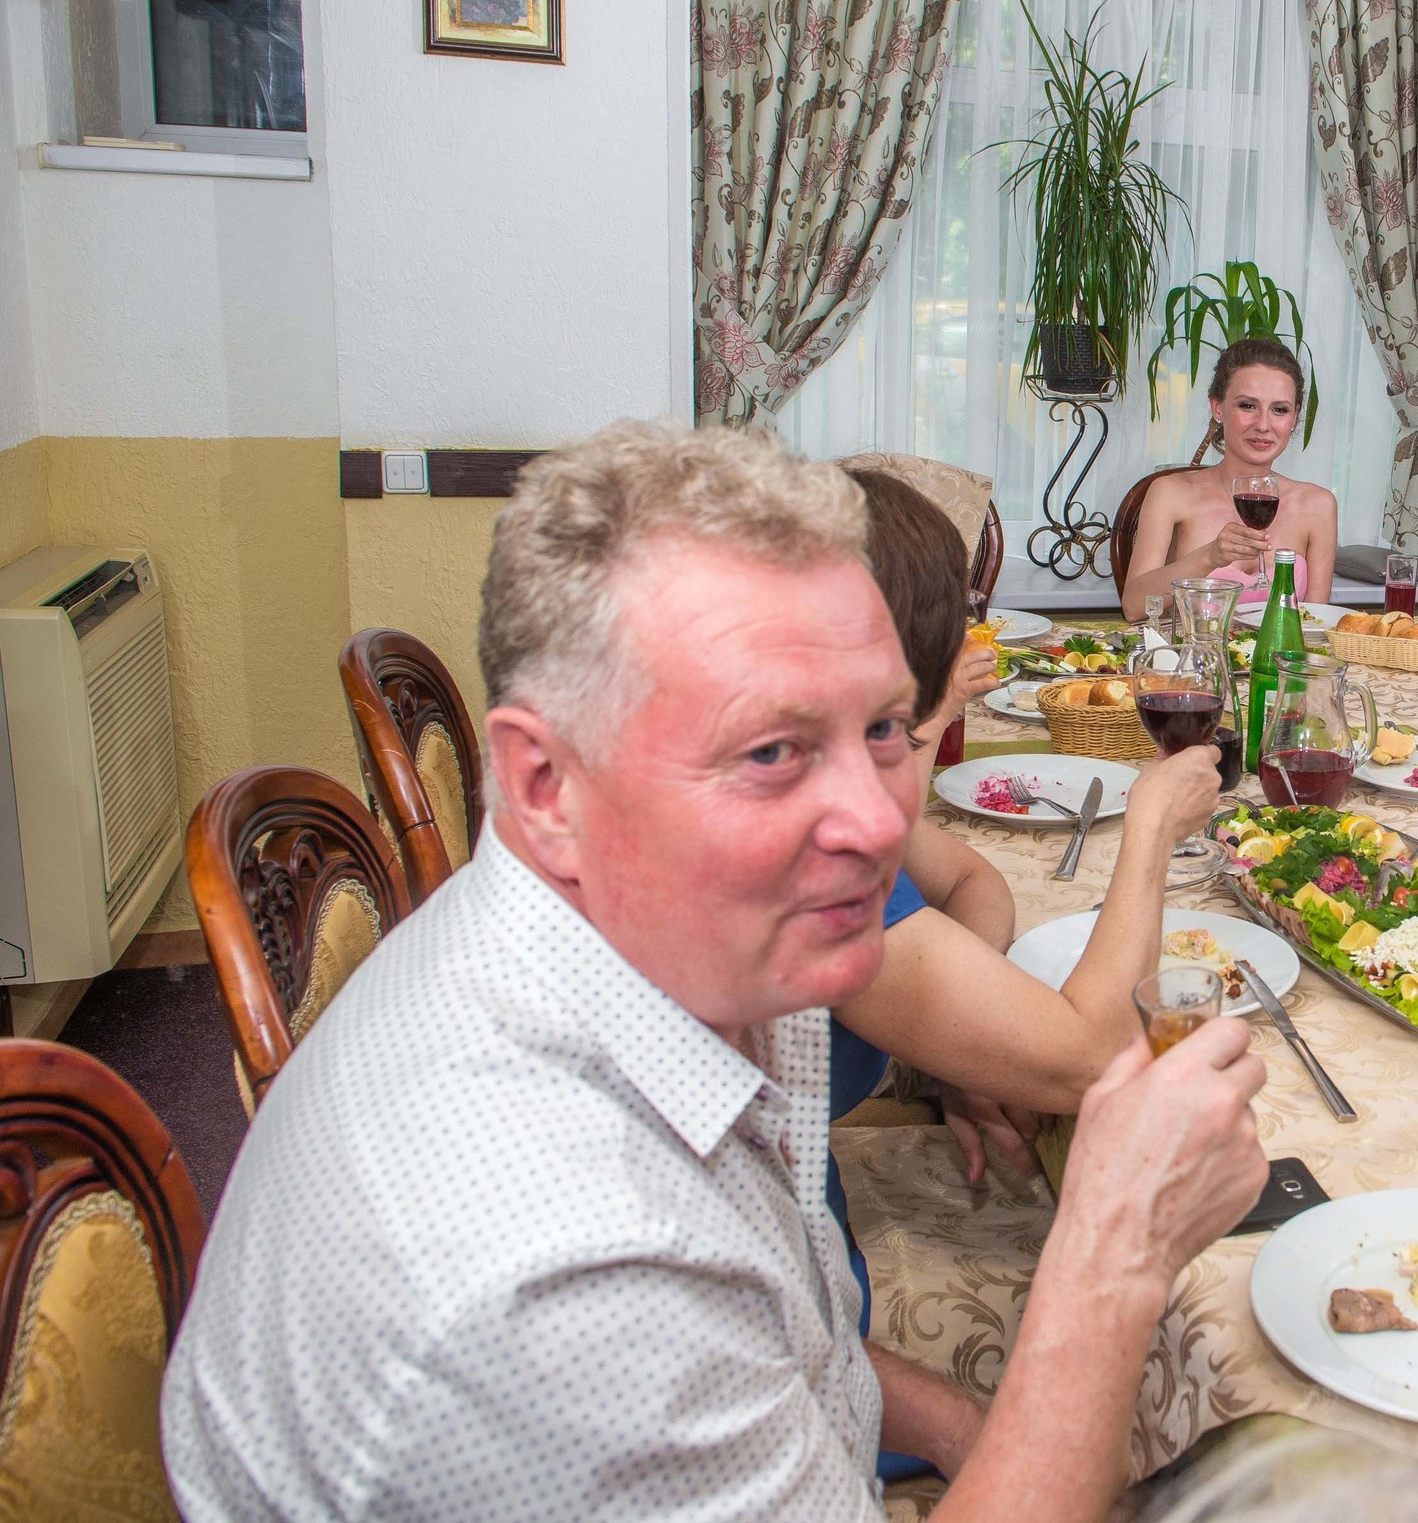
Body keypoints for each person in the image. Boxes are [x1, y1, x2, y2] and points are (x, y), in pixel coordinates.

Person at [160, 423, 1267, 1522]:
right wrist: (1115, 1253)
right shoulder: (561, 1272)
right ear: (544, 785)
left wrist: (959, 1426)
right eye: (771, 751)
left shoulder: (711, 951)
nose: (876, 820)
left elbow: (791, 1327)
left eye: (884, 726)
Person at [829, 464, 1222, 1205]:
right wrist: (1151, 831)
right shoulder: (822, 847)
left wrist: (957, 1038)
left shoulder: (832, 776)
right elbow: (1092, 1058)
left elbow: (972, 880)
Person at [1120, 337, 1336, 619]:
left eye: (1279, 410)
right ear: (1217, 408)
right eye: (1247, 406)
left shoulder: (1318, 505)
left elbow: (1316, 626)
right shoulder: (1170, 492)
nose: (1263, 425)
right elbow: (1134, 607)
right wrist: (1209, 557)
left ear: (1294, 418)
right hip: (1195, 660)